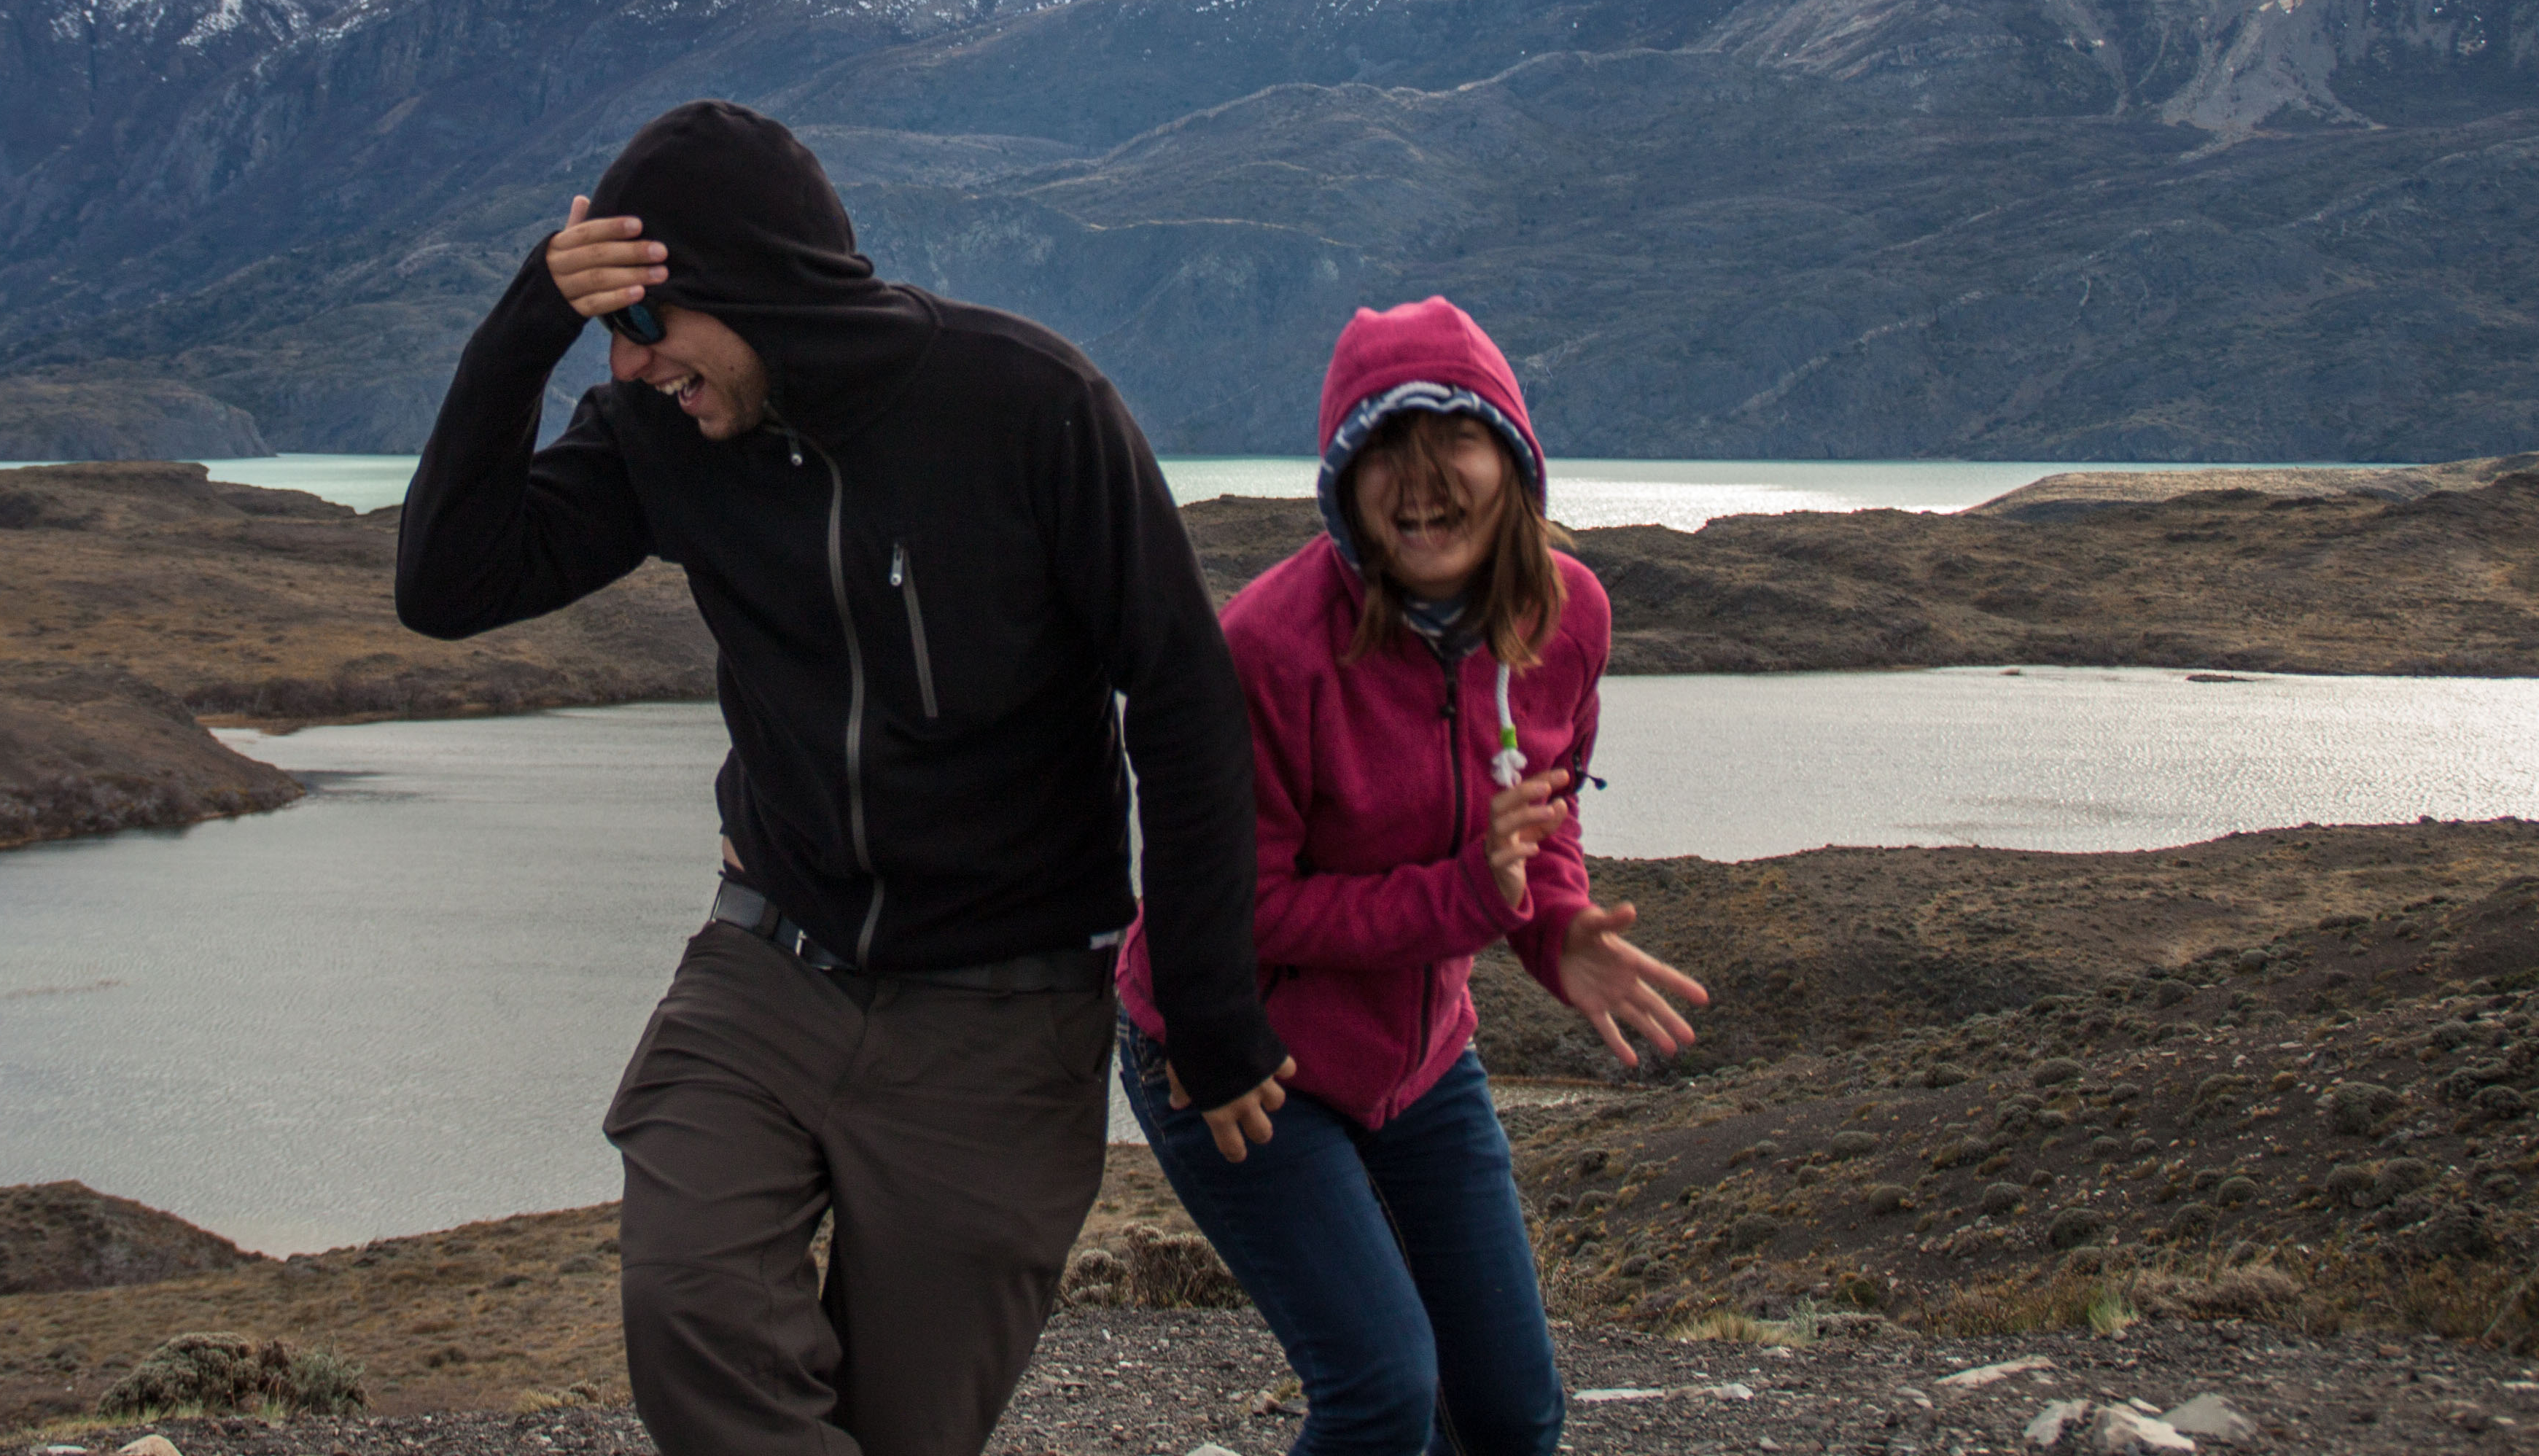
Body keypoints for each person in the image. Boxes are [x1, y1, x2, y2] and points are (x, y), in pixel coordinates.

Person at [394, 99, 1292, 1456]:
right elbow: (447, 585)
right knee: (689, 1304)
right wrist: (531, 319)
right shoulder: (660, 436)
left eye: (648, 328)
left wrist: (1212, 1007)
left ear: (750, 293)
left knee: (906, 1426)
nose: (635, 370)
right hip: (768, 966)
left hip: (1004, 1008)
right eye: (610, 334)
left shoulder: (1033, 408)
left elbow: (1182, 699)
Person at [1111, 296, 1710, 1456]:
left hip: (1420, 1060)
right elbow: (1248, 908)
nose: (1421, 482)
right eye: (1384, 449)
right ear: (1341, 478)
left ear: (1516, 463)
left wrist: (1557, 924)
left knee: (1511, 1414)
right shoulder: (1273, 650)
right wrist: (1477, 902)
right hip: (1231, 1054)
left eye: (1454, 442)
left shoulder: (1567, 616)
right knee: (1382, 1399)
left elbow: (1539, 813)